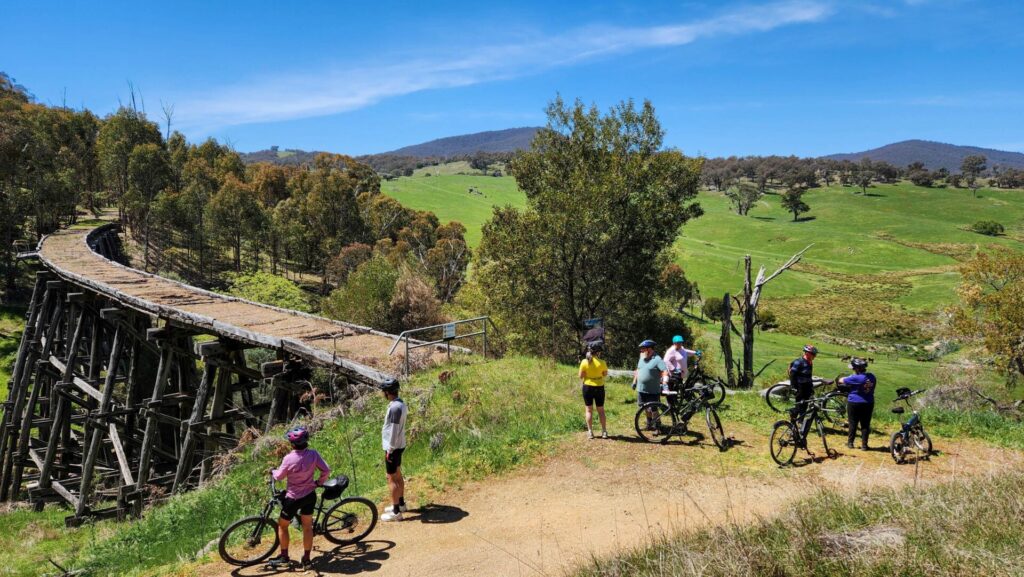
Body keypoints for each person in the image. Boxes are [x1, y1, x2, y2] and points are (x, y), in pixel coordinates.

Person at [269, 426, 330, 569]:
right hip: (310, 495)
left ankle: (284, 557)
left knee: (283, 526)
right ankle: (307, 559)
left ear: (292, 444)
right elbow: (326, 470)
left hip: (293, 498)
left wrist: (272, 471)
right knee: (307, 527)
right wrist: (318, 482)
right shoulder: (313, 454)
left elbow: (279, 476)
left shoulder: (289, 458)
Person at [380, 378, 408, 522]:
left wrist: (390, 449)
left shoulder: (394, 408)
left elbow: (394, 429)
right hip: (399, 445)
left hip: (393, 447)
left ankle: (396, 511)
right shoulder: (400, 403)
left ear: (387, 392)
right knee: (397, 473)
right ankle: (401, 504)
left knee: (391, 478)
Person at [837, 357, 876, 450]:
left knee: (853, 422)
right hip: (868, 402)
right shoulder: (872, 376)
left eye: (854, 368)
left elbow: (841, 380)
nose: (853, 370)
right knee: (865, 424)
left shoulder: (855, 377)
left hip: (854, 402)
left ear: (857, 369)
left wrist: (849, 377)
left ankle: (850, 443)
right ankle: (864, 445)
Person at [632, 340, 667, 429]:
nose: (641, 351)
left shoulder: (657, 359)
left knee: (654, 409)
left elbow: (665, 371)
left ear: (650, 349)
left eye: (643, 349)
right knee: (644, 407)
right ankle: (649, 424)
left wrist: (665, 383)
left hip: (653, 390)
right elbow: (638, 370)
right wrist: (634, 382)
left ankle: (658, 426)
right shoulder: (642, 357)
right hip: (641, 389)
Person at [788, 344, 818, 444]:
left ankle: (800, 424)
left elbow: (809, 376)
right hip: (799, 388)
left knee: (804, 406)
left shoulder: (810, 362)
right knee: (798, 406)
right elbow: (792, 375)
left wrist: (811, 387)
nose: (815, 356)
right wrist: (793, 388)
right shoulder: (799, 362)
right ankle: (791, 426)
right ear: (807, 353)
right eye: (813, 354)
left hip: (807, 388)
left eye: (815, 354)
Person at [578, 343, 609, 439]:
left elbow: (580, 376)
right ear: (598, 352)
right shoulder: (602, 362)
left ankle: (590, 432)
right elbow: (604, 374)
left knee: (588, 410)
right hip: (599, 387)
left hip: (587, 387)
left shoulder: (584, 362)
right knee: (601, 410)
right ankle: (604, 432)